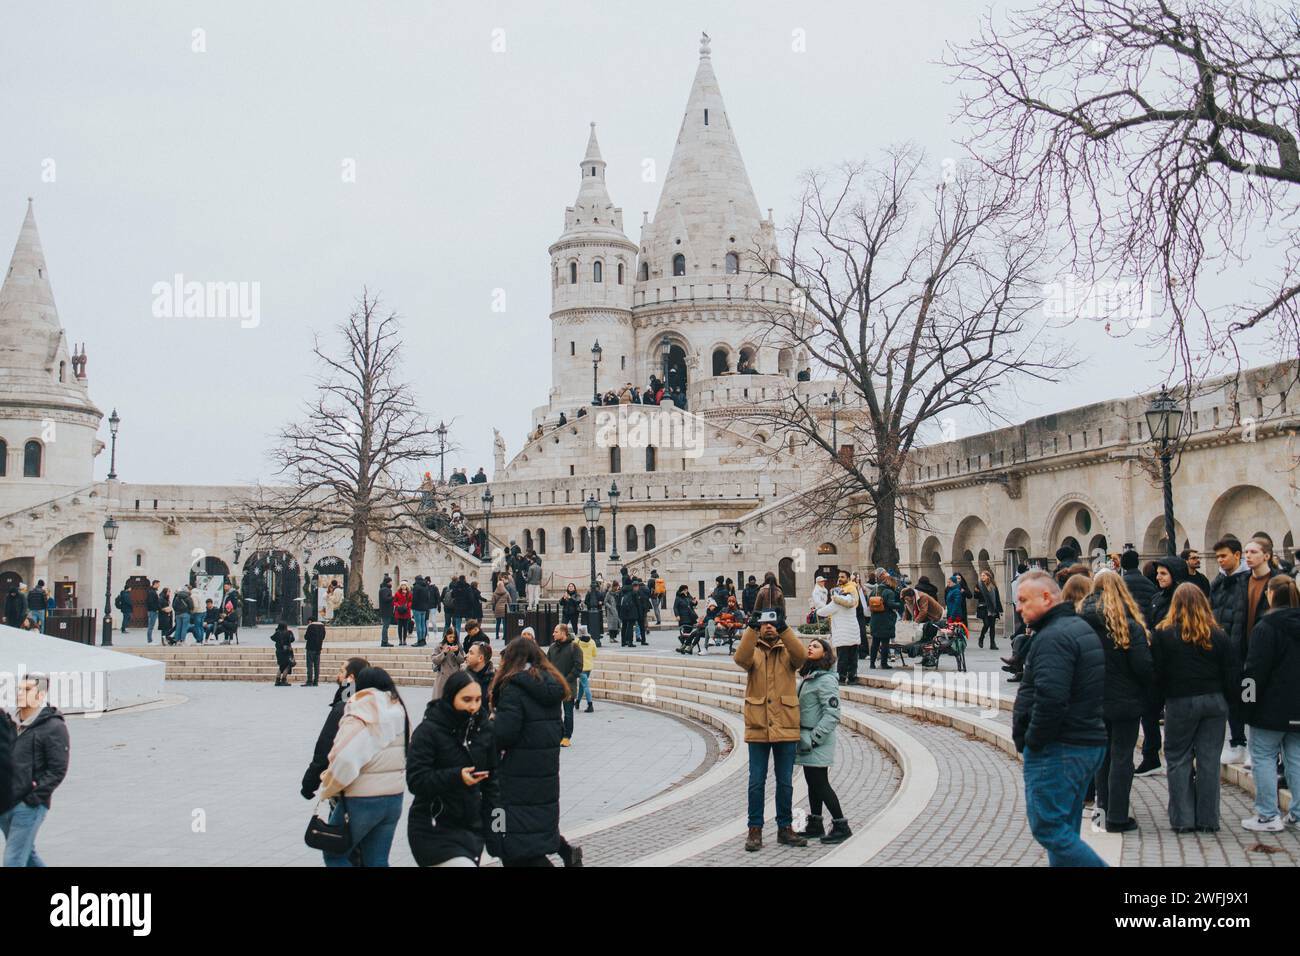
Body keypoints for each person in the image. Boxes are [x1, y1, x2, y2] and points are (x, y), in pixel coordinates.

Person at [1011, 570, 1107, 866]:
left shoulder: (1054, 637)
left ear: (1047, 597)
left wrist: (1033, 740)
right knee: (1065, 829)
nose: (1019, 607)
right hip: (1083, 742)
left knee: (1049, 828)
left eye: (1024, 600)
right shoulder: (1074, 628)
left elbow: (1051, 698)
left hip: (1060, 746)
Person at [1151, 581, 1236, 832]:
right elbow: (1232, 673)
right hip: (1214, 700)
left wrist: (1156, 704)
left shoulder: (1163, 634)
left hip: (1179, 700)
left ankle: (1183, 819)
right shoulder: (1218, 634)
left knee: (1178, 759)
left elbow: (1157, 674)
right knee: (1209, 761)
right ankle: (1208, 818)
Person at [489, 639, 581, 866]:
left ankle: (567, 853)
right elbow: (556, 729)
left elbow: (503, 734)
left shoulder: (513, 688)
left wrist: (490, 724)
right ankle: (567, 853)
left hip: (514, 779)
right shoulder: (550, 685)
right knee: (527, 843)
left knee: (511, 847)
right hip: (544, 776)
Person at [1078, 571, 1153, 833]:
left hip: (1093, 701)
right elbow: (1144, 666)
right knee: (1122, 757)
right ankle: (1118, 817)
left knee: (1102, 758)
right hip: (1125, 701)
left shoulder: (1081, 623)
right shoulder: (1129, 625)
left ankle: (1101, 813)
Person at [316, 667, 410, 867]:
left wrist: (328, 787)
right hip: (394, 797)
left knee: (335, 854)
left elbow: (345, 758)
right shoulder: (398, 710)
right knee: (377, 859)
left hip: (362, 798)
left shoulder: (360, 707)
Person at [406, 671, 499, 866]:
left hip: (471, 828)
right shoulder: (429, 731)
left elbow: (494, 786)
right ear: (450, 697)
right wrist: (456, 777)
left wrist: (498, 831)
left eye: (477, 700)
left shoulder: (484, 730)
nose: (473, 706)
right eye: (466, 699)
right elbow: (416, 780)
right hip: (433, 827)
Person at [735, 607, 809, 851]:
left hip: (785, 723)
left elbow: (802, 658)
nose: (768, 626)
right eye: (764, 623)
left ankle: (785, 828)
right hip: (758, 724)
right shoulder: (753, 650)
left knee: (785, 782)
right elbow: (740, 659)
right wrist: (750, 628)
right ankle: (754, 829)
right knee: (756, 781)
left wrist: (785, 629)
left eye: (772, 622)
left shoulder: (787, 651)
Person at [1240, 575, 1300, 831]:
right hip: (1297, 707)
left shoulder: (1265, 628)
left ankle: (1268, 815)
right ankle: (1297, 813)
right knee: (1296, 758)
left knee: (1263, 756)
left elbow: (1254, 671)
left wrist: (1246, 704)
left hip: (1270, 707)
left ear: (1271, 595)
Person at [0, 674, 69, 867]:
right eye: (20, 689)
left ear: (41, 695)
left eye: (27, 689)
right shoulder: (9, 722)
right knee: (27, 854)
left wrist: (33, 797)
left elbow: (58, 769)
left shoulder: (53, 726)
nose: (20, 693)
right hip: (6, 802)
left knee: (13, 859)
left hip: (29, 805)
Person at [795, 637, 851, 843]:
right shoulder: (811, 676)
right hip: (808, 739)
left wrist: (814, 738)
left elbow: (832, 714)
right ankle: (815, 823)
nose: (810, 646)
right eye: (809, 644)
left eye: (816, 645)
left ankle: (841, 825)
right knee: (812, 782)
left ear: (826, 653)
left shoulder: (826, 679)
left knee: (820, 783)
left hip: (817, 739)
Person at [302, 657, 370, 799]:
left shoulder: (343, 707)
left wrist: (309, 783)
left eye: (341, 671)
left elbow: (325, 747)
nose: (337, 675)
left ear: (351, 677)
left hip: (350, 787)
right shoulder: (374, 701)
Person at [818, 571, 860, 685]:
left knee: (842, 657)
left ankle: (841, 678)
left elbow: (822, 612)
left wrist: (816, 609)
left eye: (842, 577)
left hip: (842, 635)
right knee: (853, 657)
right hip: (854, 632)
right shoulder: (852, 601)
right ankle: (852, 678)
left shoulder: (836, 603)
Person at [548, 623, 584, 746]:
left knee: (568, 713)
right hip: (554, 686)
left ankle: (566, 736)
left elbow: (578, 666)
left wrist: (566, 679)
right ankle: (558, 734)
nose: (553, 634)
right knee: (555, 712)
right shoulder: (552, 648)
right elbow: (547, 665)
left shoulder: (574, 647)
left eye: (556, 631)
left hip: (569, 686)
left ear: (563, 633)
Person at [464, 640, 495, 717]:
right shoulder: (463, 677)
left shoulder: (495, 680)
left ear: (480, 658)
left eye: (471, 653)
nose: (466, 656)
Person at [432, 628, 464, 700]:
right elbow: (434, 660)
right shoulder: (440, 646)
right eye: (450, 637)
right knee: (441, 699)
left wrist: (457, 652)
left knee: (454, 699)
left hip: (455, 675)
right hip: (442, 676)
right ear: (446, 636)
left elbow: (462, 660)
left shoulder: (458, 646)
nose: (452, 639)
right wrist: (444, 653)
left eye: (454, 637)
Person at [975, 570, 1003, 650]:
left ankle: (992, 643)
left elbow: (997, 598)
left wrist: (999, 609)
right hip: (983, 607)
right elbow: (975, 596)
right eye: (981, 575)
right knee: (986, 624)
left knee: (992, 626)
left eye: (984, 575)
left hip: (992, 608)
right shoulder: (979, 585)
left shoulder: (993, 586)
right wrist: (977, 592)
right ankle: (981, 637)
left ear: (988, 576)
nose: (982, 577)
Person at [576, 626, 596, 713]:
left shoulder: (577, 642)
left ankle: (590, 704)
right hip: (589, 667)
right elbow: (594, 654)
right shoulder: (592, 642)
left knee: (585, 686)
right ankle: (577, 702)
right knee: (582, 685)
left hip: (581, 667)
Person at [303, 616, 327, 687]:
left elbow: (306, 637)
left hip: (310, 648)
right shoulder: (322, 626)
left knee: (309, 665)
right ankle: (316, 682)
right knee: (317, 666)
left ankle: (309, 681)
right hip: (318, 648)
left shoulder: (310, 626)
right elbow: (323, 636)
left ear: (310, 621)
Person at [270, 621, 296, 686]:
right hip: (287, 651)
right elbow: (293, 639)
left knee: (281, 666)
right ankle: (284, 680)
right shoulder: (289, 633)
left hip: (279, 652)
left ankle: (277, 680)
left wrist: (277, 631)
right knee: (287, 666)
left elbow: (272, 638)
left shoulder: (277, 633)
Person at [412, 576, 433, 647]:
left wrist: (413, 607)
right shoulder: (426, 587)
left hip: (417, 608)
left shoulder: (416, 587)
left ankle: (419, 640)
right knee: (423, 624)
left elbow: (414, 599)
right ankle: (423, 640)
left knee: (418, 625)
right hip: (424, 609)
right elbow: (428, 598)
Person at [392, 581, 414, 647]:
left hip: (406, 612)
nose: (403, 586)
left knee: (405, 627)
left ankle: (404, 640)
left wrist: (408, 606)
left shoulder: (409, 594)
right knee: (399, 627)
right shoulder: (397, 593)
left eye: (404, 585)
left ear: (406, 586)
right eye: (402, 585)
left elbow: (411, 601)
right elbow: (394, 601)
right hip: (399, 612)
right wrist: (398, 605)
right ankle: (400, 640)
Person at [378, 575, 394, 647]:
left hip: (385, 610)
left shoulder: (383, 589)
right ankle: (384, 641)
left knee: (385, 626)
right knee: (385, 626)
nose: (391, 583)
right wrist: (393, 597)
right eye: (390, 582)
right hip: (386, 610)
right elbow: (386, 599)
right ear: (388, 582)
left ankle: (384, 641)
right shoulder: (385, 590)